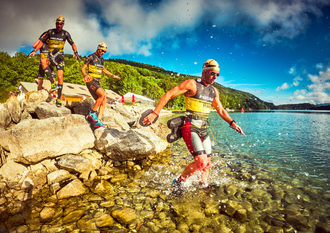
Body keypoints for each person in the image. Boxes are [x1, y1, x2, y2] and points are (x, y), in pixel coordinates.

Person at [142, 59, 244, 194]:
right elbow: (168, 94)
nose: (215, 77)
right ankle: (179, 181)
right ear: (205, 71)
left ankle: (203, 185)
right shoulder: (191, 84)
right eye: (213, 73)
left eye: (217, 75)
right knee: (201, 162)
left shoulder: (214, 91)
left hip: (204, 130)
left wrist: (232, 123)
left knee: (207, 163)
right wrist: (155, 113)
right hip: (190, 128)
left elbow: (221, 110)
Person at [29, 16, 80, 107]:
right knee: (43, 61)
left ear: (63, 24)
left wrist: (75, 52)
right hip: (51, 56)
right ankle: (53, 84)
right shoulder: (50, 32)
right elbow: (41, 42)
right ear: (55, 23)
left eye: (60, 24)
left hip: (60, 57)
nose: (59, 25)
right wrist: (34, 51)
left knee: (60, 77)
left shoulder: (66, 34)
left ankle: (59, 99)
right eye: (57, 23)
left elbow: (72, 43)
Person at [81, 42, 121, 127]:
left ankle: (98, 121)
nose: (103, 52)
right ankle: (92, 113)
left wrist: (113, 75)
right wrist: (85, 75)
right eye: (102, 50)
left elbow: (103, 70)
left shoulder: (102, 59)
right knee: (102, 94)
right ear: (98, 48)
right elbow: (83, 68)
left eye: (104, 52)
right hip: (91, 81)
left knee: (104, 99)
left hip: (97, 82)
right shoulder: (91, 56)